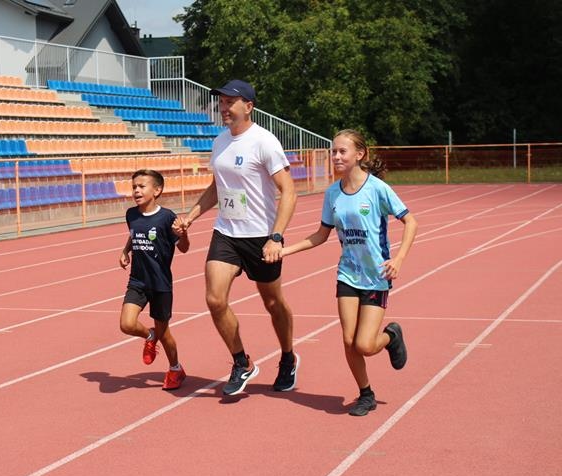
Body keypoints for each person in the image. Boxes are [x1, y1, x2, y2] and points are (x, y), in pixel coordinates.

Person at [173, 79, 299, 396]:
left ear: (249, 106)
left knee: (273, 302)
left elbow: (289, 191)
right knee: (215, 299)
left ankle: (287, 357)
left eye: (230, 102)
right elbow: (218, 187)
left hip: (260, 237)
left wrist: (276, 237)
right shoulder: (220, 142)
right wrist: (191, 216)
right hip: (226, 233)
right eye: (222, 102)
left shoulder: (264, 142)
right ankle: (241, 362)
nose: (224, 107)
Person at [281, 129, 418, 416]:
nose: (336, 156)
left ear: (359, 154)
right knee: (348, 340)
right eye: (333, 151)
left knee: (365, 345)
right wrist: (285, 250)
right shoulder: (332, 193)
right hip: (347, 274)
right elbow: (321, 235)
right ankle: (366, 394)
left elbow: (411, 222)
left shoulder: (377, 189)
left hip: (376, 276)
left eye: (342, 151)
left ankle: (391, 337)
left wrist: (399, 259)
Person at [119, 169, 190, 390]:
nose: (136, 191)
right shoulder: (131, 214)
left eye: (142, 186)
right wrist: (126, 250)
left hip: (160, 284)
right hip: (137, 281)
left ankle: (176, 368)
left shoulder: (167, 218)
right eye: (134, 187)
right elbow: (134, 234)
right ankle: (150, 335)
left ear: (157, 190)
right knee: (126, 324)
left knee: (165, 333)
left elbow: (184, 248)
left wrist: (184, 234)